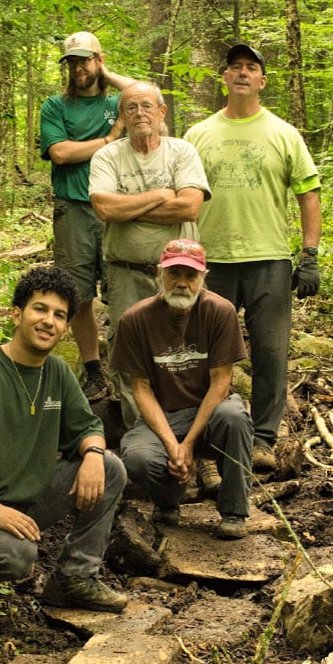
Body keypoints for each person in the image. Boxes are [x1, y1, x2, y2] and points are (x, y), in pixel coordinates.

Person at [0, 266, 129, 613]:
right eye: (40, 309)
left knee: (109, 468)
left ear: (66, 329)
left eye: (59, 315)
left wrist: (93, 454)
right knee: (17, 557)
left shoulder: (58, 372)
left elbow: (87, 426)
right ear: (17, 314)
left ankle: (73, 579)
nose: (49, 321)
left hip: (25, 499)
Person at [184, 43, 322, 473]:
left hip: (268, 259)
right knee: (204, 355)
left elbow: (309, 193)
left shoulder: (283, 134)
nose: (242, 73)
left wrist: (310, 254)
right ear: (223, 78)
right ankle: (206, 445)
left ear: (262, 81)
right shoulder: (197, 135)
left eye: (251, 68)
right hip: (211, 261)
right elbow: (181, 197)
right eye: (235, 67)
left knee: (269, 352)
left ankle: (263, 439)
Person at [89, 80, 210, 432]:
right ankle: (144, 444)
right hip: (126, 274)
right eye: (130, 107)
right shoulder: (107, 156)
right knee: (131, 359)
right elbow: (104, 208)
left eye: (146, 106)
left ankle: (192, 442)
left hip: (182, 274)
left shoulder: (181, 151)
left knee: (187, 355)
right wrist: (159, 194)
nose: (139, 113)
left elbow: (189, 207)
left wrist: (128, 208)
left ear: (161, 112)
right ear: (121, 117)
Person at [111, 239, 253, 541]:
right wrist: (172, 445)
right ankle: (168, 499)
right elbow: (142, 390)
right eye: (174, 274)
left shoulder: (220, 311)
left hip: (210, 414)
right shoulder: (135, 319)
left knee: (235, 416)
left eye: (191, 276)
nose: (182, 283)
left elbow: (220, 383)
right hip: (162, 416)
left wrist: (187, 444)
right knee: (136, 457)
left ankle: (234, 511)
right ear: (159, 275)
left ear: (203, 278)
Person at [39, 30, 134, 402]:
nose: (78, 68)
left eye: (85, 59)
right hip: (74, 209)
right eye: (72, 61)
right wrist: (111, 138)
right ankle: (93, 368)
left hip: (117, 210)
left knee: (123, 289)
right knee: (77, 294)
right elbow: (60, 153)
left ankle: (128, 366)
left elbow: (148, 93)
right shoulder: (56, 106)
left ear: (99, 59)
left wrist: (107, 74)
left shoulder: (119, 102)